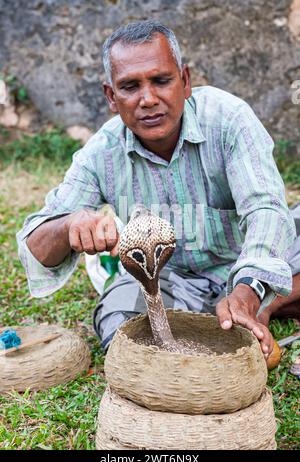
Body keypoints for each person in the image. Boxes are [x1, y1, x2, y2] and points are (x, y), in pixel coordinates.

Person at [17, 20, 300, 360]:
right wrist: (69, 224)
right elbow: (35, 248)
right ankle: (249, 311)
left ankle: (257, 305)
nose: (148, 99)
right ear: (111, 96)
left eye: (162, 81)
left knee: (283, 230)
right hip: (172, 286)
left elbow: (265, 211)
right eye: (130, 86)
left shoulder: (228, 119)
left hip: (248, 269)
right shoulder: (100, 154)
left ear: (185, 80)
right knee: (122, 325)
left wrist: (248, 290)